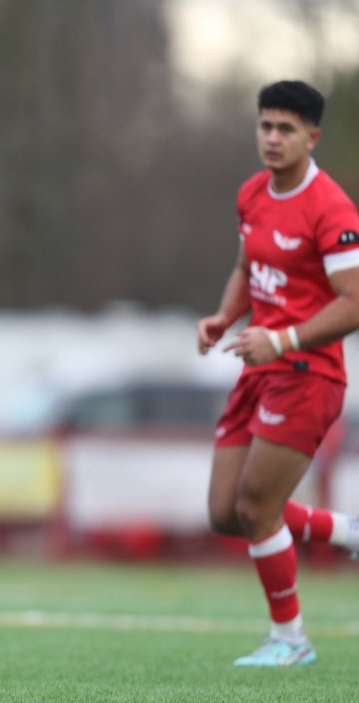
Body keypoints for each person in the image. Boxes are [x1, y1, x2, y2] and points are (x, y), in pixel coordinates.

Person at [197, 80, 359, 667]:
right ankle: (345, 530)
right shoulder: (252, 195)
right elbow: (247, 264)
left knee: (258, 507)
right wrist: (224, 316)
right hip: (259, 369)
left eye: (286, 128)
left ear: (312, 138)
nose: (272, 138)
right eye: (265, 125)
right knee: (225, 511)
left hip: (309, 373)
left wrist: (282, 338)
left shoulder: (332, 210)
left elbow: (354, 302)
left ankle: (290, 639)